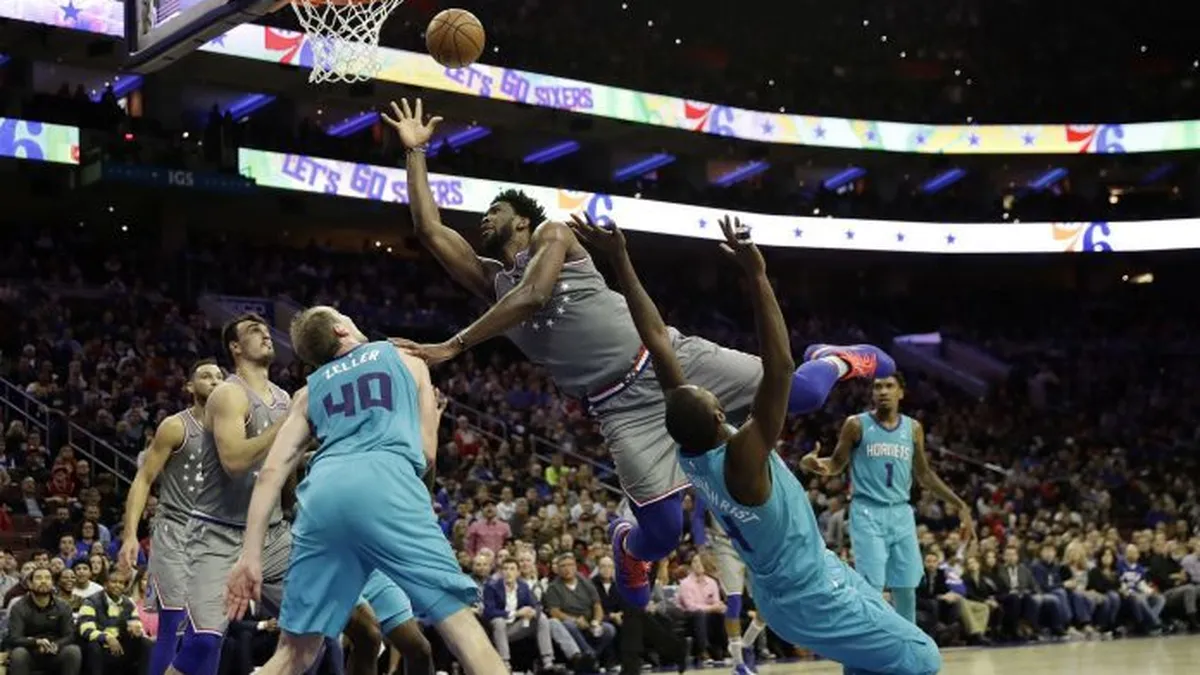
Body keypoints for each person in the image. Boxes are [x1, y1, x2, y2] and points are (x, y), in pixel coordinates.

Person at [383, 98, 895, 626]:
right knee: (664, 532)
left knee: (803, 394)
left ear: (522, 220)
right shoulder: (493, 285)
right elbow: (430, 230)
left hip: (669, 359)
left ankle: (836, 359)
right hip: (619, 407)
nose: (485, 219)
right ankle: (627, 546)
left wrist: (453, 345)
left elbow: (534, 294)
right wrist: (416, 152)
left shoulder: (553, 234)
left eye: (495, 211)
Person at [571, 213, 940, 674]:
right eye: (713, 396)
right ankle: (835, 361)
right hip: (813, 593)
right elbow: (780, 367)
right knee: (922, 657)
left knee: (870, 663)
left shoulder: (692, 449)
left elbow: (656, 339)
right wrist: (757, 274)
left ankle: (835, 361)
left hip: (789, 589)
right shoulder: (742, 458)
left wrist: (620, 259)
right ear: (719, 414)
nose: (713, 389)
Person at [224, 306, 505, 675]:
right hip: (386, 485)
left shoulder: (307, 393)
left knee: (295, 652)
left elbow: (270, 474)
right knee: (461, 625)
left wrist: (250, 556)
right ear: (340, 329)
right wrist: (431, 425)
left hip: (322, 499)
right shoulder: (406, 357)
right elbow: (426, 455)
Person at [165, 314, 380, 675]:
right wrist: (286, 426)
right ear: (235, 348)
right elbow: (235, 461)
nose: (265, 335)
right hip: (217, 534)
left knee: (349, 628)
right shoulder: (228, 394)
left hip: (274, 533)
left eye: (266, 330)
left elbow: (286, 468)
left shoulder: (283, 397)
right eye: (254, 332)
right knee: (201, 648)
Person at [801, 373, 974, 628]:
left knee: (906, 585)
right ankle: (869, 641)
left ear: (901, 392)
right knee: (872, 584)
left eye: (889, 386)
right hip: (867, 510)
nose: (883, 391)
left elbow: (925, 474)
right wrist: (815, 465)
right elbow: (836, 464)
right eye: (877, 387)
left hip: (901, 512)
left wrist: (960, 504)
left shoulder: (913, 428)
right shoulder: (856, 424)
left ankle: (907, 644)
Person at [117, 358, 224, 675]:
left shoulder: (233, 430)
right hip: (174, 531)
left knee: (210, 632)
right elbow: (144, 479)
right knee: (173, 624)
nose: (215, 381)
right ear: (190, 386)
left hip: (215, 538)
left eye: (220, 376)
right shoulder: (176, 426)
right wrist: (130, 534)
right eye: (206, 376)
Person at [482, 558, 561, 673]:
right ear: (501, 572)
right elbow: (489, 611)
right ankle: (505, 663)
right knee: (499, 621)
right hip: (498, 631)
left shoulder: (523, 586)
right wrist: (516, 613)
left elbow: (537, 605)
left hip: (516, 628)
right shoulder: (491, 587)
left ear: (518, 572)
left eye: (512, 569)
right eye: (505, 569)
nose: (508, 572)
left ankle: (547, 661)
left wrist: (533, 612)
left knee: (542, 618)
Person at [4, 566, 83, 675]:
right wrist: (36, 642)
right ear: (30, 583)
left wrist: (56, 645)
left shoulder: (63, 606)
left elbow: (70, 635)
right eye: (38, 578)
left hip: (55, 652)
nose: (43, 581)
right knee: (18, 653)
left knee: (73, 650)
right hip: (29, 653)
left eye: (47, 578)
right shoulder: (19, 607)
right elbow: (14, 637)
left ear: (52, 583)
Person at [78, 565, 150, 675]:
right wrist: (107, 638)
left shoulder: (128, 603)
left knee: (146, 643)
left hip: (121, 644)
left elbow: (136, 622)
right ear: (105, 584)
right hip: (101, 646)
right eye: (114, 582)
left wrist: (136, 630)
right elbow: (85, 629)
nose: (118, 586)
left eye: (121, 583)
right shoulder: (91, 601)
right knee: (93, 646)